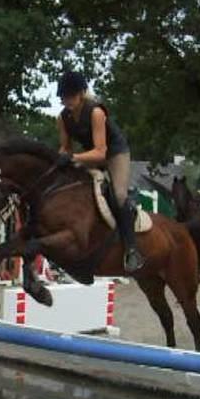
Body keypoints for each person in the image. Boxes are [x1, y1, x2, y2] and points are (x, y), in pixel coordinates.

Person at [55, 71, 145, 272]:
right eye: (63, 96)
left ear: (81, 94)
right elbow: (65, 148)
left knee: (119, 196)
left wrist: (73, 158)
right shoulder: (62, 118)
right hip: (89, 154)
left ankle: (132, 249)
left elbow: (101, 153)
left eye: (70, 95)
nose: (66, 100)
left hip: (114, 153)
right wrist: (61, 157)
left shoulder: (96, 112)